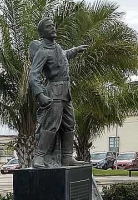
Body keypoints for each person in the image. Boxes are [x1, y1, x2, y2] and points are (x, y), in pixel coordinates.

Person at [29, 18, 88, 168]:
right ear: (43, 33)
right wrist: (39, 94)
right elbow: (33, 75)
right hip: (54, 91)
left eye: (53, 26)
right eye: (49, 27)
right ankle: (39, 157)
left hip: (65, 92)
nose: (53, 28)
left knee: (69, 124)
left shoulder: (57, 47)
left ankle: (67, 157)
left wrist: (75, 50)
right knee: (51, 125)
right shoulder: (42, 52)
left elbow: (63, 56)